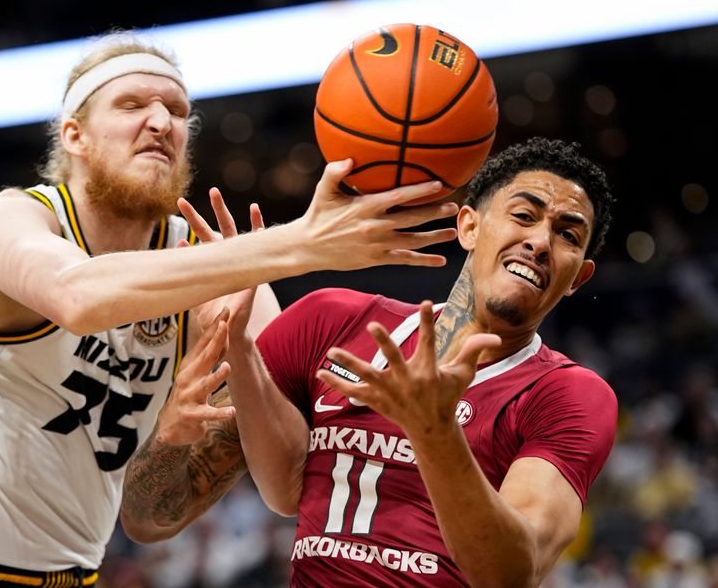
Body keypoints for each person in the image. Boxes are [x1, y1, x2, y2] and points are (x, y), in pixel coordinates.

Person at [0, 29, 458, 585]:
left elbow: (170, 514)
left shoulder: (219, 278)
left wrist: (179, 429)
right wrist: (298, 245)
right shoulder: (10, 220)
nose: (161, 122)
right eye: (132, 105)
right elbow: (78, 296)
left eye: (176, 111)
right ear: (74, 135)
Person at [121, 137, 619, 586]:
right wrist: (229, 359)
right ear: (469, 225)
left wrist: (434, 432)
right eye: (524, 215)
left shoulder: (570, 395)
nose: (540, 242)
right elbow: (152, 518)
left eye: (568, 235)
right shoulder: (328, 322)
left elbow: (511, 574)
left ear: (579, 277)